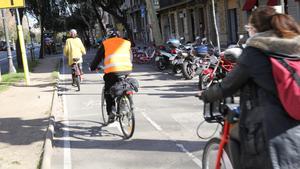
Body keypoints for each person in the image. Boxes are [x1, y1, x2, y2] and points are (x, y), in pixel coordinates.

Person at [198, 7, 300, 169]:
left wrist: (206, 94)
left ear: (256, 29)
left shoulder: (255, 52)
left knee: (236, 136)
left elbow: (227, 86)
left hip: (268, 133)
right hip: (295, 126)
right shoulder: (294, 48)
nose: (249, 32)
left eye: (249, 28)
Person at [90, 29, 133, 123]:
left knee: (108, 91)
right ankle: (125, 100)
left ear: (108, 37)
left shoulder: (106, 43)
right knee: (124, 84)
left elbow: (98, 58)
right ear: (118, 36)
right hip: (127, 69)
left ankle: (111, 112)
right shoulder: (126, 43)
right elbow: (130, 57)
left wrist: (93, 67)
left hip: (112, 72)